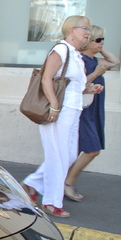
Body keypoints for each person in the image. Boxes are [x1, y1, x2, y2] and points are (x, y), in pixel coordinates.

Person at [21, 16, 103, 218]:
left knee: (69, 156)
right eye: (85, 28)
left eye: (89, 28)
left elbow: (73, 85)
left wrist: (89, 89)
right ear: (71, 30)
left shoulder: (75, 54)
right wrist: (55, 106)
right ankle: (51, 202)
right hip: (60, 111)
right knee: (57, 157)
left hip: (74, 110)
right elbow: (46, 78)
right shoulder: (61, 50)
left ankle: (31, 184)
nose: (88, 32)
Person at [63, 26, 120, 202]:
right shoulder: (81, 61)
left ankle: (55, 182)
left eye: (103, 39)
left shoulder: (94, 59)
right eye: (98, 39)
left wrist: (100, 47)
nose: (102, 43)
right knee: (92, 149)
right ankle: (68, 183)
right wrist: (96, 74)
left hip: (94, 109)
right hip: (83, 110)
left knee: (76, 150)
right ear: (88, 41)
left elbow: (115, 61)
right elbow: (75, 86)